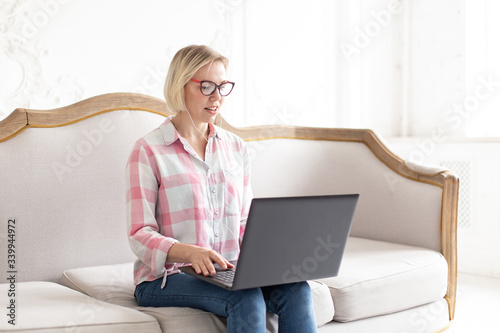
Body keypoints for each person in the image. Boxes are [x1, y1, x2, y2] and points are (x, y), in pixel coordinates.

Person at [126, 44, 317, 332]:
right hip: (165, 278)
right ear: (180, 87)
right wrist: (189, 253)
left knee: (297, 289)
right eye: (206, 86)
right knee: (245, 297)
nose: (217, 97)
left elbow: (243, 221)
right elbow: (139, 234)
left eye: (223, 86)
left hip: (228, 271)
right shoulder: (148, 150)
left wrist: (277, 256)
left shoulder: (236, 147)